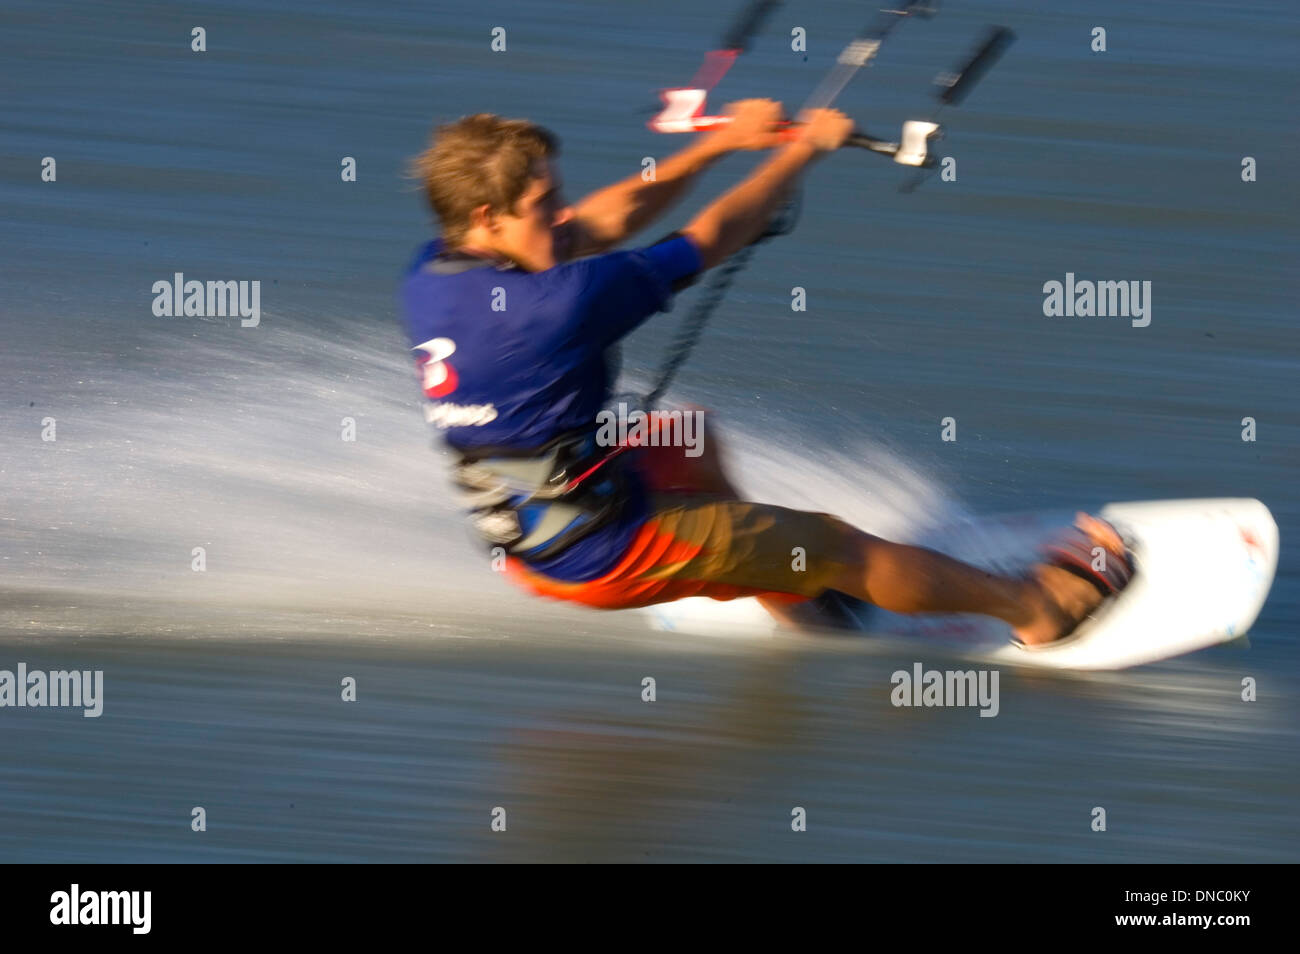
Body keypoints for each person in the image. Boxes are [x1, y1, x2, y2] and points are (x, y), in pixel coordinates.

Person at [400, 101, 1132, 646]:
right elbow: (710, 238)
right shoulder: (555, 304)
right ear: (490, 215)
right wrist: (803, 151)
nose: (562, 216)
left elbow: (604, 221)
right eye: (544, 204)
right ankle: (1043, 610)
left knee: (686, 436)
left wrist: (719, 143)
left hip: (529, 532)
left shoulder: (434, 273)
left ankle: (786, 591)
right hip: (607, 552)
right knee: (842, 548)